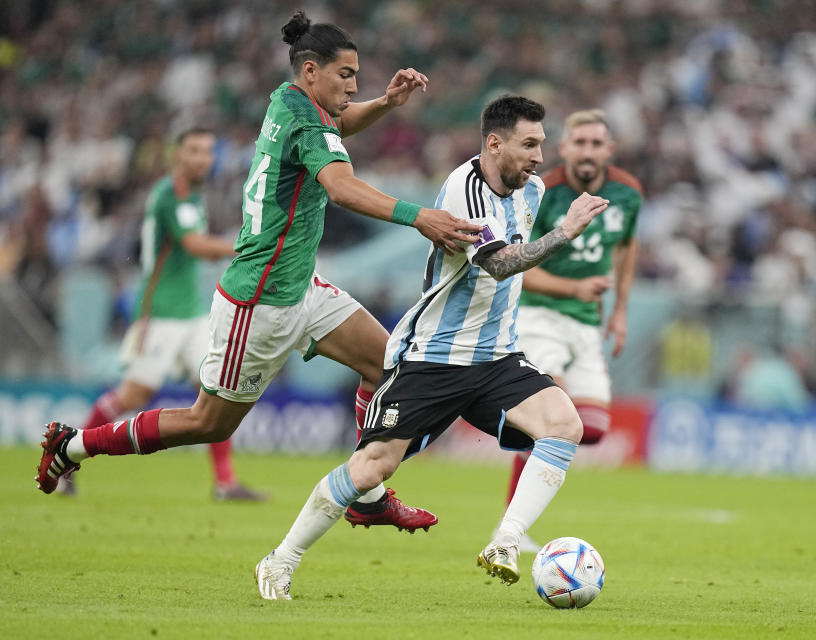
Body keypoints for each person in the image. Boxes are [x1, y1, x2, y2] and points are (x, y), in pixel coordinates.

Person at [36, 12, 482, 534]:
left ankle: (365, 492)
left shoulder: (286, 99)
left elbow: (337, 127)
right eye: (346, 75)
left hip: (301, 289)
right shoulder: (307, 121)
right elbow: (339, 186)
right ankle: (71, 445)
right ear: (311, 70)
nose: (355, 85)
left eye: (357, 76)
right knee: (207, 422)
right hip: (258, 303)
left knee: (388, 366)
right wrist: (419, 216)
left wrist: (383, 104)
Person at [253, 95, 610, 600]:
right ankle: (280, 560)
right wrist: (566, 231)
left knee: (564, 424)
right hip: (433, 359)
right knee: (372, 468)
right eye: (529, 144)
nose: (538, 157)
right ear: (494, 143)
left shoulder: (531, 191)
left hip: (497, 359)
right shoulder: (462, 191)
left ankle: (505, 542)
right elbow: (501, 264)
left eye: (541, 145)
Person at [62, 127, 264, 501]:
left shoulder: (195, 196)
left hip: (191, 315)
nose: (204, 158)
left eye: (208, 151)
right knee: (134, 393)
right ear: (177, 156)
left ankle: (225, 483)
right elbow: (195, 245)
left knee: (215, 394)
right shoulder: (169, 195)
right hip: (159, 315)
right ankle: (68, 454)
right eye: (194, 151)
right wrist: (248, 247)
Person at [506, 109, 642, 551]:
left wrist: (619, 310)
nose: (587, 151)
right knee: (552, 417)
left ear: (609, 150)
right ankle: (511, 528)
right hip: (539, 316)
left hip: (586, 323)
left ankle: (517, 431)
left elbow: (625, 247)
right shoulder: (542, 193)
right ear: (563, 149)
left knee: (594, 428)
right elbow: (517, 267)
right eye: (578, 143)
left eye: (595, 143)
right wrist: (574, 286)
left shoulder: (627, 194)